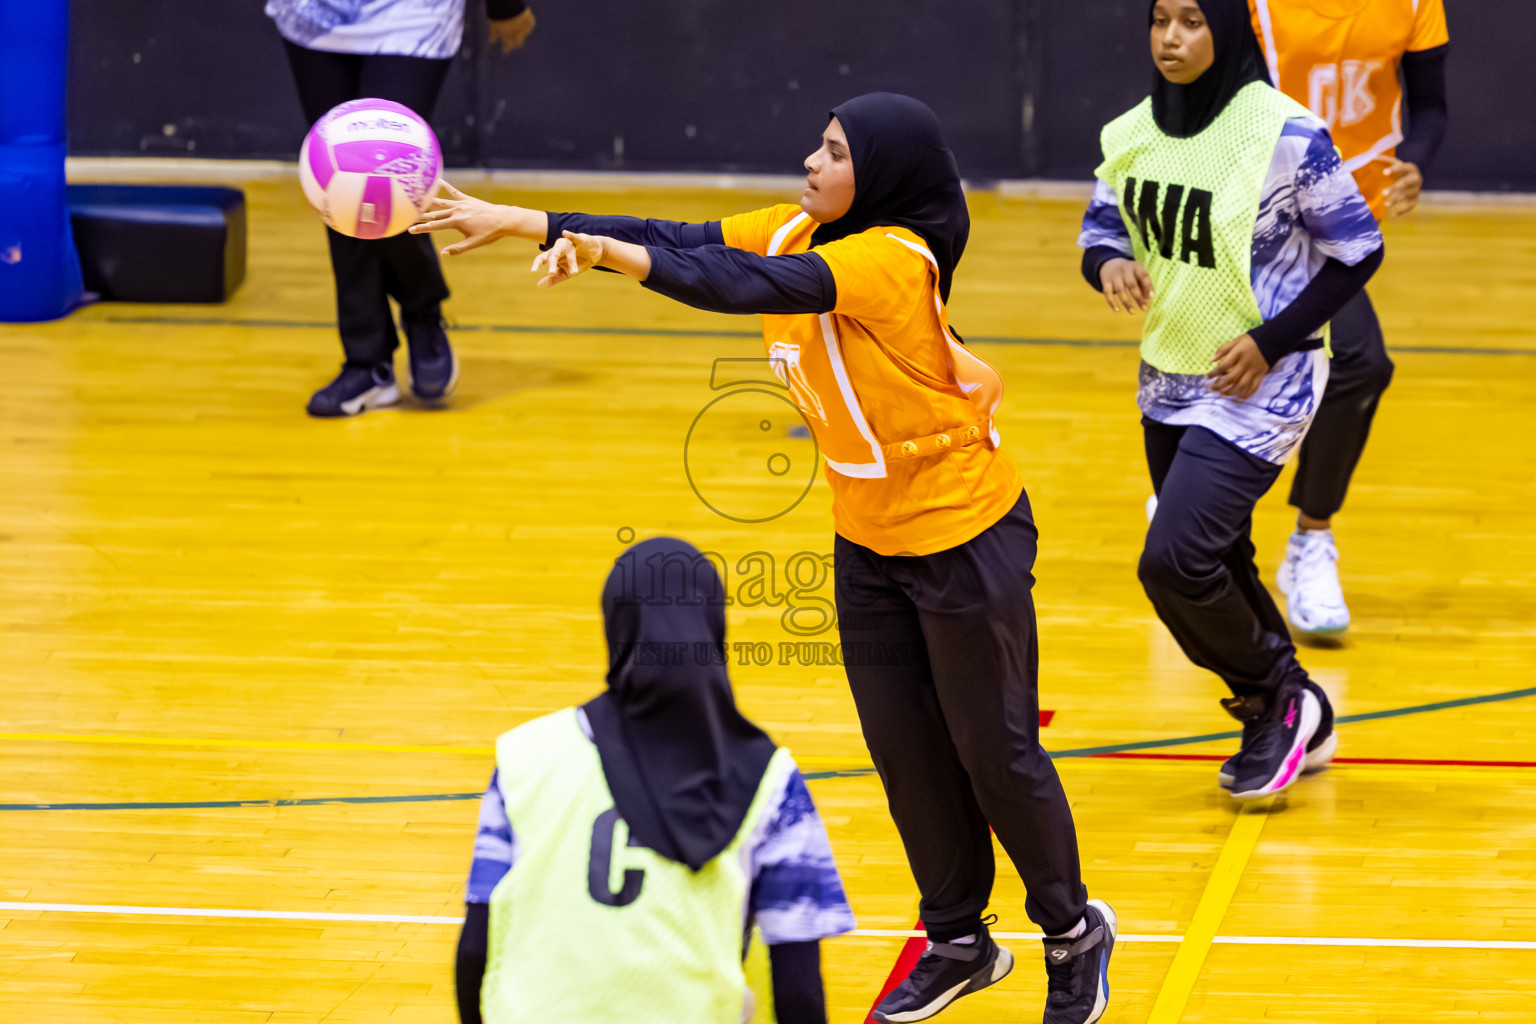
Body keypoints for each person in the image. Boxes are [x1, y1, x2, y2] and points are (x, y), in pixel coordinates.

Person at [416, 94, 1116, 1024]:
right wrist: (522, 221)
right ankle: (959, 942)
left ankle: (1073, 934)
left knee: (996, 756)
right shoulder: (795, 227)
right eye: (818, 147)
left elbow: (740, 285)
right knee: (906, 755)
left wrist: (606, 255)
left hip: (964, 534)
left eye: (836, 153)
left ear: (884, 172)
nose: (812, 163)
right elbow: (677, 236)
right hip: (867, 540)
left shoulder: (890, 258)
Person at [1078, 0, 1385, 797]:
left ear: (1227, 29)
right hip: (1167, 378)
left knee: (1174, 560)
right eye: (1160, 21)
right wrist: (1109, 263)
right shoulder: (1131, 132)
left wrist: (1271, 341)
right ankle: (1291, 707)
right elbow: (1102, 227)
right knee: (1219, 556)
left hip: (1265, 382)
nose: (1171, 38)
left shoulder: (1286, 134)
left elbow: (1358, 251)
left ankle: (1277, 696)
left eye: (1192, 21)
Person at [454, 536, 855, 1024]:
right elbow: (799, 989)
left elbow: (476, 946)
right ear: (713, 626)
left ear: (615, 626)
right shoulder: (772, 782)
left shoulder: (525, 755)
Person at [1248, 0, 1450, 635]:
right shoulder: (1256, 9)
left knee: (1351, 365)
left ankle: (1306, 541)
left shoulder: (1413, 5)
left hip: (1344, 223)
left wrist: (1415, 162)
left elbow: (1431, 105)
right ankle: (1198, 502)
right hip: (1257, 209)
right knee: (1346, 360)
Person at [266, 0, 537, 416]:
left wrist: (505, 6)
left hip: (410, 14)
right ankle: (367, 363)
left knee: (389, 172)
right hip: (313, 14)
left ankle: (422, 311)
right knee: (338, 189)